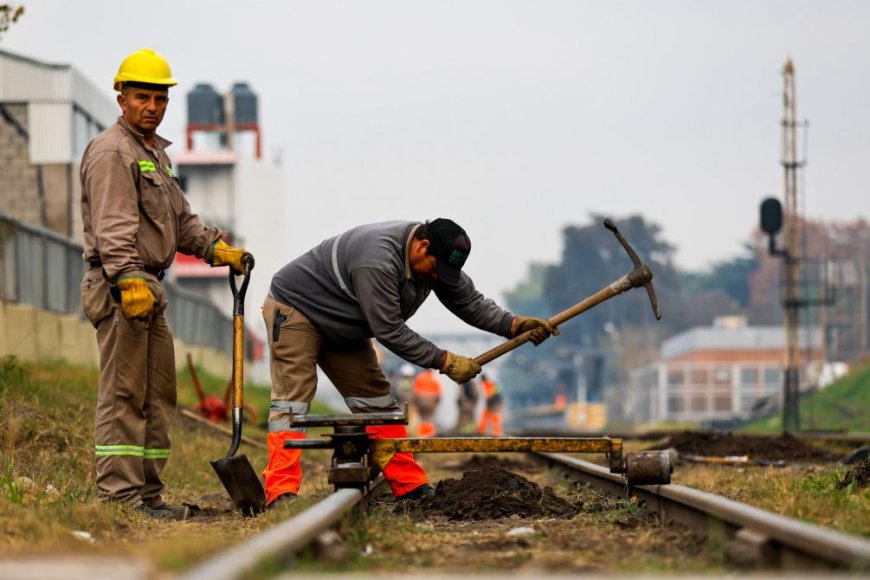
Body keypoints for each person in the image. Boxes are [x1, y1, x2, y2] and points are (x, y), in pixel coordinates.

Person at [261, 218, 557, 507]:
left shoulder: (436, 264)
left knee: (377, 403)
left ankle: (410, 486)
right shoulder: (377, 260)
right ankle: (280, 490)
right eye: (437, 269)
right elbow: (389, 330)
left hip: (343, 322)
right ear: (422, 246)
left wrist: (514, 325)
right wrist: (446, 361)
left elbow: (470, 303)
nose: (440, 278)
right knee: (293, 399)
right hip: (297, 309)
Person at [79, 48, 250, 521]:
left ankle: (149, 496)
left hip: (150, 288)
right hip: (121, 286)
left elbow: (181, 221)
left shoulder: (154, 155)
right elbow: (113, 227)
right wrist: (128, 278)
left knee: (158, 396)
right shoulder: (113, 152)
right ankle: (119, 496)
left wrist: (218, 249)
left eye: (159, 98)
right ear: (122, 97)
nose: (151, 106)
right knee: (124, 393)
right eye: (141, 97)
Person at [411, 368, 442, 437]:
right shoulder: (435, 379)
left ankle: (422, 435)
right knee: (430, 419)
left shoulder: (420, 377)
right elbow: (438, 393)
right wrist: (436, 403)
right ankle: (430, 436)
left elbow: (415, 392)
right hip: (431, 403)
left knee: (422, 419)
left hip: (421, 403)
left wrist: (415, 403)